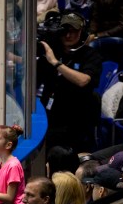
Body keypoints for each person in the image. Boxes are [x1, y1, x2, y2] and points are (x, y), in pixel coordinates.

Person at [38, 11, 104, 152]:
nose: (68, 35)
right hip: (50, 116)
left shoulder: (91, 55)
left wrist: (55, 63)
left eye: (74, 31)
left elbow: (83, 80)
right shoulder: (52, 52)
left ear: (82, 33)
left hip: (76, 120)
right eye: (65, 30)